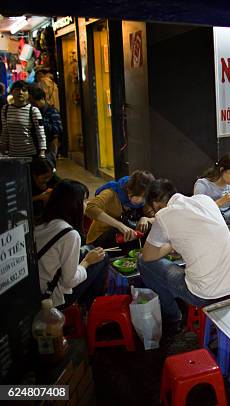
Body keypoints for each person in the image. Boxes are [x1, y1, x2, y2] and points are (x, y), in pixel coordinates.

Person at [138, 179, 230, 328]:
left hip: (204, 294)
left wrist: (171, 244)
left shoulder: (164, 215)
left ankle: (172, 316)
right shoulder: (205, 200)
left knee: (142, 262)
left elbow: (147, 255)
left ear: (155, 204)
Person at [35, 180, 108, 308]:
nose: (87, 204)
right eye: (84, 200)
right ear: (74, 204)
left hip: (37, 288)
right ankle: (89, 307)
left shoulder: (42, 222)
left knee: (91, 249)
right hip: (53, 297)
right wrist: (87, 262)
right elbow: (70, 280)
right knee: (102, 258)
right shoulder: (70, 234)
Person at [194, 152, 230, 260]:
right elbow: (197, 211)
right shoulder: (202, 185)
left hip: (228, 221)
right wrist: (221, 201)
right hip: (210, 226)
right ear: (222, 170)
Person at [85, 170, 155, 248]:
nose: (141, 201)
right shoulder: (112, 191)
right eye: (138, 196)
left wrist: (146, 219)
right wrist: (119, 225)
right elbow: (90, 208)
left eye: (144, 197)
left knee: (150, 230)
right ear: (129, 189)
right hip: (102, 238)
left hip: (126, 238)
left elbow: (158, 217)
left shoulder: (144, 201)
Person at [0, 81, 46, 158]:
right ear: (12, 92)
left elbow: (40, 132)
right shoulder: (5, 109)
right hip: (12, 154)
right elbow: (5, 131)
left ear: (28, 94)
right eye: (17, 90)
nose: (20, 92)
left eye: (24, 90)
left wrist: (42, 152)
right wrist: (2, 148)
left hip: (30, 154)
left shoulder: (33, 110)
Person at [30, 86, 62, 167]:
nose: (32, 105)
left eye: (33, 102)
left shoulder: (52, 111)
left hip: (49, 146)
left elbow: (58, 129)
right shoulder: (33, 111)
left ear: (41, 99)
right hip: (36, 147)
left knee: (48, 168)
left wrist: (41, 123)